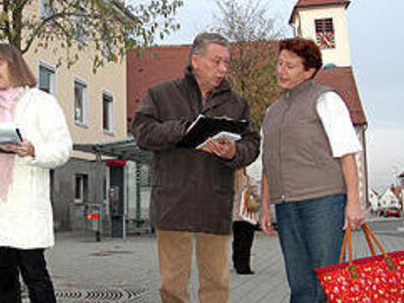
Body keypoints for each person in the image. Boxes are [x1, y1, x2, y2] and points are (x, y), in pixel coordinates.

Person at [132, 32, 260, 303]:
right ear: (196, 60)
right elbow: (142, 132)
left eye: (226, 62)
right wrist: (184, 130)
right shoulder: (161, 94)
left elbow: (252, 143)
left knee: (216, 284)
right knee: (172, 286)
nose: (223, 69)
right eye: (216, 61)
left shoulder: (236, 103)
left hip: (214, 203)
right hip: (172, 202)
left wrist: (234, 151)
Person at [259, 37, 365, 303]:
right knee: (299, 284)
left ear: (309, 71)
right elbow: (269, 163)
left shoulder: (326, 100)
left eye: (290, 66)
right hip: (286, 206)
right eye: (280, 63)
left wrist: (353, 202)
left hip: (323, 203)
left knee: (326, 283)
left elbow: (346, 154)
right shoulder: (273, 111)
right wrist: (264, 208)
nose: (281, 70)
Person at [0, 42, 72, 303]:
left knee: (36, 276)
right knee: (3, 280)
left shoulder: (42, 102)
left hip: (24, 206)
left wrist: (33, 151)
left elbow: (63, 148)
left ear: (14, 64)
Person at [231, 169, 260, 275]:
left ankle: (236, 263)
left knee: (237, 241)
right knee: (246, 242)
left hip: (235, 217)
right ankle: (244, 267)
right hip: (246, 217)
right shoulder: (248, 180)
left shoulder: (231, 181)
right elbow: (257, 195)